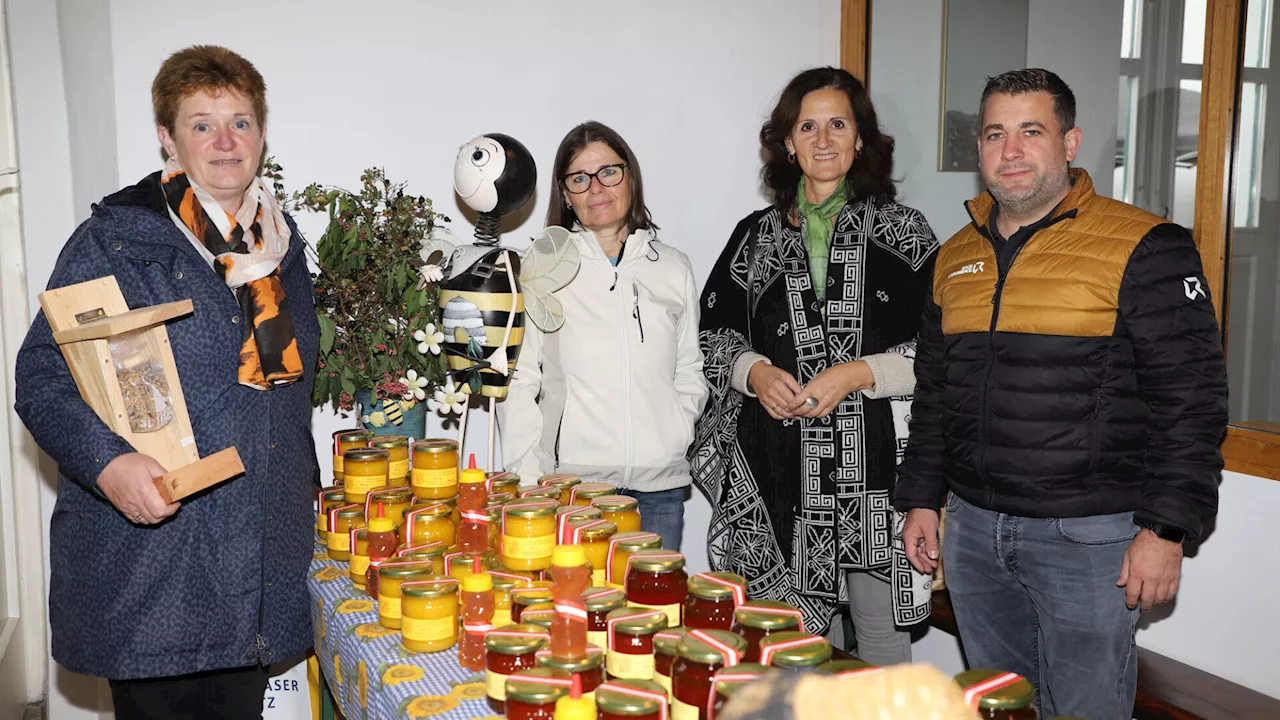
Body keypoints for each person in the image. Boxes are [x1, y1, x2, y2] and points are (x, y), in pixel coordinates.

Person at [895, 69, 1228, 720]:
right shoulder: (954, 257)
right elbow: (936, 391)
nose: (1011, 151)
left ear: (1070, 142)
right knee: (1003, 707)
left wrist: (1166, 529)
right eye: (995, 134)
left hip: (1088, 541)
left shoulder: (1145, 245)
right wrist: (919, 499)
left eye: (1031, 131)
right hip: (972, 533)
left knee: (1085, 711)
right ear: (979, 151)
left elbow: (1192, 401)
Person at [15, 45, 319, 719]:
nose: (224, 140)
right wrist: (110, 462)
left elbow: (282, 403)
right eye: (202, 122)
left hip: (256, 563)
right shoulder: (119, 241)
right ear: (167, 138)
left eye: (240, 121)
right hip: (158, 558)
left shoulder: (280, 247)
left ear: (262, 134)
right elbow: (41, 376)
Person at [691, 67, 939, 663]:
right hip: (777, 473)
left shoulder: (907, 236)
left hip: (880, 476)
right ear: (787, 143)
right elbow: (709, 335)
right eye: (808, 126)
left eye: (838, 124)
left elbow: (945, 352)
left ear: (861, 139)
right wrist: (752, 370)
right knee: (794, 653)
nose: (823, 139)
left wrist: (858, 374)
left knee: (881, 644)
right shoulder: (753, 238)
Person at [498, 121, 707, 551]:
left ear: (630, 177)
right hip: (575, 490)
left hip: (659, 490)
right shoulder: (542, 266)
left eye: (608, 172)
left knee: (656, 613)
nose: (596, 188)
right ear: (566, 195)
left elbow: (689, 368)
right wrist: (528, 478)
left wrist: (676, 433)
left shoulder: (672, 267)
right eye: (579, 178)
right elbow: (520, 380)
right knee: (581, 614)